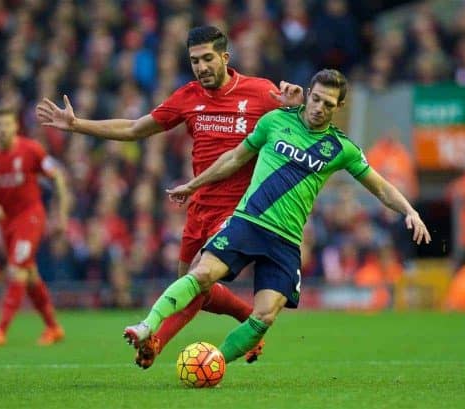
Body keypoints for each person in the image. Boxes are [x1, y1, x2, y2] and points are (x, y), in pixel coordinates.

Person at [36, 26, 303, 367]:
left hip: (241, 212)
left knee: (196, 279)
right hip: (199, 206)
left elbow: (300, 130)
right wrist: (77, 125)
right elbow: (135, 129)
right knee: (191, 290)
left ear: (225, 57)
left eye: (208, 58)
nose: (202, 67)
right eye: (194, 61)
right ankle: (248, 320)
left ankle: (154, 340)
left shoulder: (261, 93)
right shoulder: (188, 97)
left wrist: (296, 108)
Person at [123, 69, 431, 364]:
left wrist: (410, 211)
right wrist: (193, 185)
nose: (320, 108)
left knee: (265, 315)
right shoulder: (274, 121)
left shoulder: (342, 148)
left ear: (339, 107)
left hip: (286, 241)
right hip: (248, 222)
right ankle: (147, 326)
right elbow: (233, 159)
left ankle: (213, 362)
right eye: (317, 99)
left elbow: (380, 187)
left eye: (328, 103)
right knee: (201, 273)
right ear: (308, 95)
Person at [0, 104, 70, 346]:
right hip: (6, 222)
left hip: (31, 216)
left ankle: (0, 330)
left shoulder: (31, 149)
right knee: (29, 274)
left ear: (15, 126)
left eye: (7, 124)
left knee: (16, 269)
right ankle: (53, 327)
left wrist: (62, 213)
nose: (3, 129)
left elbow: (56, 175)